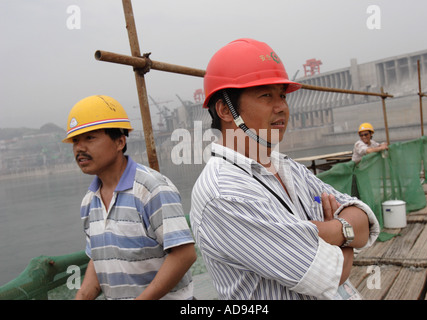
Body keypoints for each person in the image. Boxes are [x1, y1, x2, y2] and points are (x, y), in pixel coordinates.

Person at [190, 38, 380, 300]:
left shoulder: (288, 167)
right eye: (266, 95)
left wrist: (333, 231)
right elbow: (332, 274)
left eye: (282, 95)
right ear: (225, 110)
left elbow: (365, 219)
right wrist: (347, 236)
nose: (281, 106)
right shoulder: (225, 194)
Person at [62, 95, 196, 300]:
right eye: (75, 141)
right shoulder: (89, 202)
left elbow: (184, 254)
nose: (80, 148)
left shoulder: (151, 189)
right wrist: (83, 295)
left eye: (90, 138)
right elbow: (98, 259)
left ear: (119, 142)